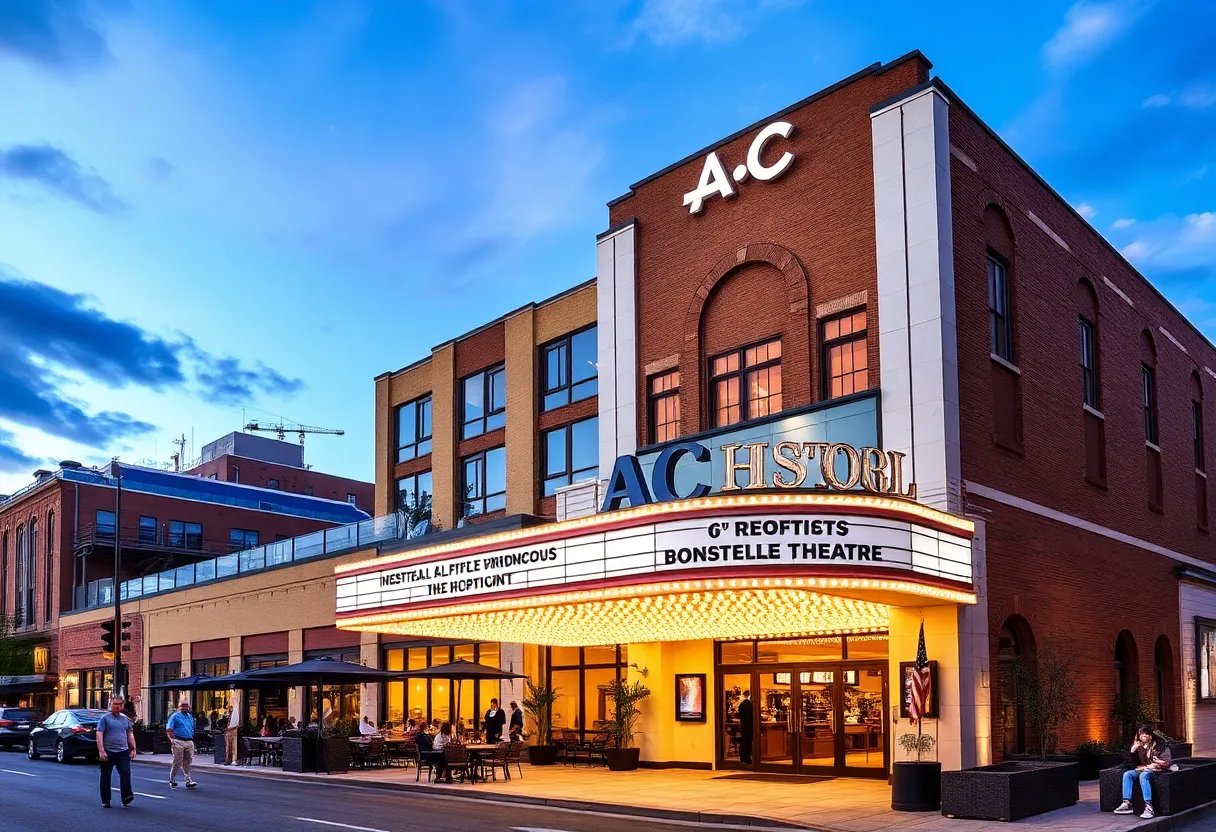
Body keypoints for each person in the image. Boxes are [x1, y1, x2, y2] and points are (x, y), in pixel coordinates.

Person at [1114, 724, 1173, 818]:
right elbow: (1131, 764)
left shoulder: (1159, 745)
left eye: (1147, 734)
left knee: (1143, 776)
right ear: (1138, 736)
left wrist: (1154, 763)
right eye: (1142, 734)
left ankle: (1149, 807)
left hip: (1157, 769)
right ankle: (1127, 803)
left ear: (1151, 735)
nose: (1144, 736)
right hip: (1144, 768)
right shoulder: (1139, 746)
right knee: (1127, 774)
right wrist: (1133, 751)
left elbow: (1167, 762)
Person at [95, 695, 136, 808]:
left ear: (122, 706)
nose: (117, 706)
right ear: (111, 705)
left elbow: (129, 733)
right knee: (106, 776)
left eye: (119, 704)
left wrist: (132, 748)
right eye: (115, 704)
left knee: (125, 773)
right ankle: (106, 800)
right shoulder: (105, 719)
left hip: (123, 751)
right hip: (108, 751)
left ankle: (127, 796)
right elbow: (99, 734)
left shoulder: (125, 719)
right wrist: (101, 751)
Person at [166, 700, 198, 789]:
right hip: (178, 740)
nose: (185, 709)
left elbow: (192, 727)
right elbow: (169, 729)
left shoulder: (189, 717)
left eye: (186, 707)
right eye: (183, 707)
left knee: (188, 761)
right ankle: (172, 780)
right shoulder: (175, 716)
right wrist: (171, 739)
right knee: (177, 761)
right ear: (179, 707)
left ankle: (188, 780)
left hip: (189, 740)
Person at [737, 690, 755, 765]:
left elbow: (739, 715)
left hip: (745, 725)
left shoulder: (743, 704)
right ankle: (746, 758)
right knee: (747, 742)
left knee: (745, 742)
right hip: (749, 726)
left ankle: (744, 758)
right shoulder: (749, 704)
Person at [223, 702, 241, 766]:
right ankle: (228, 759)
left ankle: (233, 759)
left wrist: (228, 728)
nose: (229, 709)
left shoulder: (235, 714)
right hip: (229, 732)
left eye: (230, 707)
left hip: (232, 732)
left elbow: (236, 724)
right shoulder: (230, 715)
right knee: (228, 747)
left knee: (233, 747)